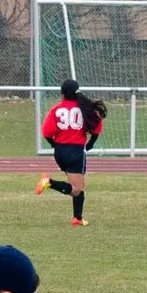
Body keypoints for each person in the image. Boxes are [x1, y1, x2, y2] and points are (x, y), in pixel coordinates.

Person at [34, 79, 105, 226]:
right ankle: (49, 182)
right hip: (76, 151)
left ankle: (77, 218)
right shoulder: (85, 108)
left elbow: (47, 132)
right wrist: (90, 143)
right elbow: (97, 127)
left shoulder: (56, 109)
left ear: (62, 93)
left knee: (77, 185)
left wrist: (55, 145)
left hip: (60, 152)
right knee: (77, 189)